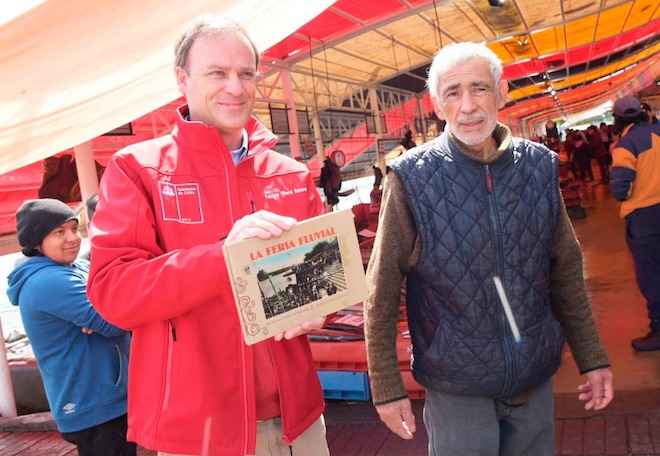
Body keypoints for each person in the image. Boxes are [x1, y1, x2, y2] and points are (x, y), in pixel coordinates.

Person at [86, 17, 329, 456]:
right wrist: (222, 257)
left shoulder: (289, 173)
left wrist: (321, 308)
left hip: (298, 419)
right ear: (183, 79)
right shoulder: (138, 169)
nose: (235, 87)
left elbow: (323, 271)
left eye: (246, 73)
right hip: (199, 430)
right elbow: (113, 292)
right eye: (218, 73)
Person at [364, 42, 613, 456]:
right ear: (436, 104)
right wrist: (387, 387)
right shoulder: (411, 178)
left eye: (479, 89)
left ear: (502, 92)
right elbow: (382, 290)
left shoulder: (538, 165)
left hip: (533, 375)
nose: (468, 106)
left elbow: (565, 269)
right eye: (453, 92)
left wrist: (592, 356)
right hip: (456, 386)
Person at [6, 199, 134, 456]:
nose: (73, 238)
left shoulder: (76, 268)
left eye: (74, 228)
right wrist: (108, 312)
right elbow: (115, 321)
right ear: (35, 241)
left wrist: (108, 309)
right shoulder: (48, 281)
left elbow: (119, 295)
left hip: (103, 396)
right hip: (92, 403)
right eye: (59, 232)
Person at [610, 95, 660, 351]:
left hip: (646, 218)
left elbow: (620, 189)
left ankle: (659, 330)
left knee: (652, 275)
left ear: (617, 119)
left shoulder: (626, 145)